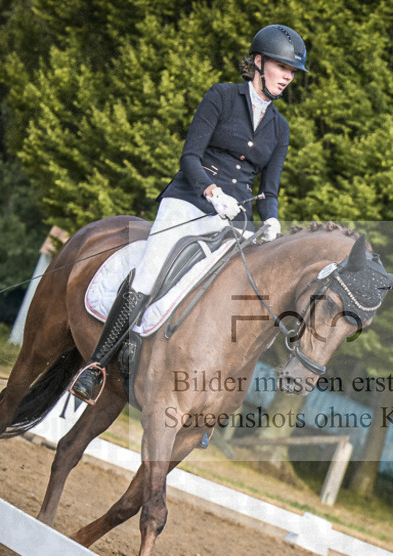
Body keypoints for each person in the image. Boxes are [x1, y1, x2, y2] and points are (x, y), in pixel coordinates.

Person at [70, 24, 307, 403]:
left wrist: (272, 220)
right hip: (190, 200)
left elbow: (269, 189)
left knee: (245, 295)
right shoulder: (222, 97)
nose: (288, 77)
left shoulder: (281, 128)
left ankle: (211, 392)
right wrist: (211, 192)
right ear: (259, 62)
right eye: (283, 67)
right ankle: (96, 366)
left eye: (292, 72)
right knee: (151, 270)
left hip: (235, 219)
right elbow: (190, 156)